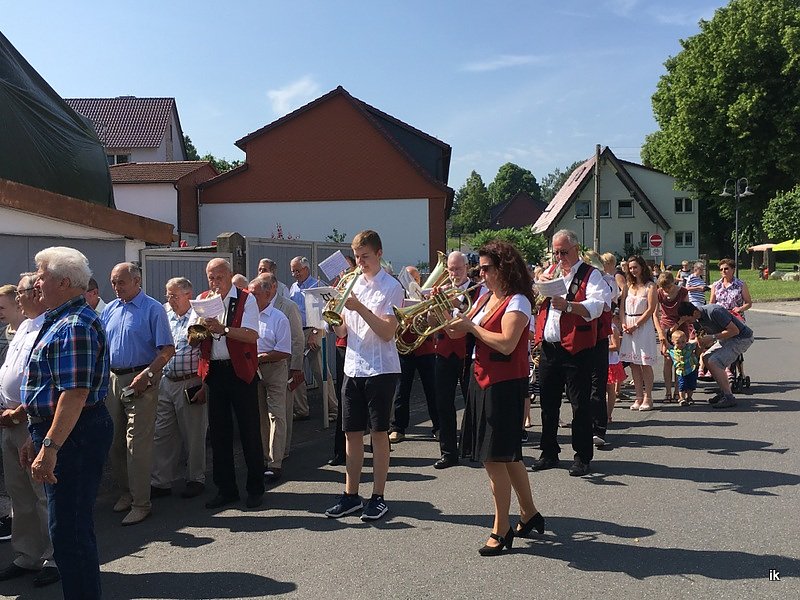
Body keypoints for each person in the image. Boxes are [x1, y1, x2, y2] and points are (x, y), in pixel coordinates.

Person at [20, 246, 114, 600]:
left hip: (76, 435)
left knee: (70, 534)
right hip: (65, 432)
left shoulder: (75, 324)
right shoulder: (60, 319)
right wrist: (36, 435)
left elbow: (74, 394)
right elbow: (50, 389)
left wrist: (49, 446)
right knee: (67, 530)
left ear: (63, 282)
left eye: (42, 276)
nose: (36, 283)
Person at [446, 240, 544, 555]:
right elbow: (458, 331)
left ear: (504, 268)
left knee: (493, 458)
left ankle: (501, 529)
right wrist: (439, 315)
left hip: (504, 384)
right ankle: (529, 514)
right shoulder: (485, 298)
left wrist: (471, 327)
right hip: (481, 379)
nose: (481, 274)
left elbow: (506, 343)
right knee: (508, 456)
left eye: (487, 268)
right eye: (480, 268)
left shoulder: (518, 301)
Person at [325, 230, 404, 521]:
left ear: (379, 254)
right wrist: (333, 315)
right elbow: (343, 330)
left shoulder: (392, 287)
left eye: (365, 257)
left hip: (380, 368)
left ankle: (378, 496)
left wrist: (359, 306)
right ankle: (351, 495)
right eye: (357, 257)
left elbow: (386, 332)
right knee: (351, 433)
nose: (360, 263)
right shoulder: (352, 283)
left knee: (379, 433)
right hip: (353, 367)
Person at [102, 263, 175, 525]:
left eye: (121, 282)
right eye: (113, 282)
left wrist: (148, 375)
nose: (116, 287)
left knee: (137, 444)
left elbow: (167, 349)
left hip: (142, 380)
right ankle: (127, 492)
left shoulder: (153, 309)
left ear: (137, 281)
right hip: (113, 379)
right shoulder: (110, 309)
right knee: (114, 441)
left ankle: (141, 502)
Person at [532, 230, 609, 476]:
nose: (559, 257)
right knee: (548, 404)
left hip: (577, 349)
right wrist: (539, 287)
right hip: (549, 348)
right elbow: (536, 304)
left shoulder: (591, 274)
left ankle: (582, 456)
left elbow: (598, 305)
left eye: (563, 252)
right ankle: (549, 452)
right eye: (555, 252)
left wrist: (569, 306)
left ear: (576, 249)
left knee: (580, 405)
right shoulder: (552, 272)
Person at [0, 274, 59, 587]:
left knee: (42, 493)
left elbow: (48, 379)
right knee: (19, 493)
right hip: (8, 421)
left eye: (20, 292)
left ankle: (55, 557)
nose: (17, 298)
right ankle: (27, 555)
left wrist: (20, 411)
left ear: (35, 293)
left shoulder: (50, 326)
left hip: (31, 420)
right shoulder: (23, 327)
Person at [192, 258, 264, 509]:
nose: (215, 282)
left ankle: (255, 488)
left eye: (219, 277)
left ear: (230, 275)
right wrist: (200, 328)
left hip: (240, 371)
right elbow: (192, 338)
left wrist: (223, 329)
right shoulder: (203, 299)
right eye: (211, 277)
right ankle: (226, 489)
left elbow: (252, 335)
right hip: (214, 371)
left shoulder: (245, 299)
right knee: (219, 434)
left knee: (249, 431)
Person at [150, 277, 208, 500]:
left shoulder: (199, 314)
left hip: (190, 381)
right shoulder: (164, 313)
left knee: (193, 434)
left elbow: (202, 347)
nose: (170, 299)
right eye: (168, 295)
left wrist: (204, 385)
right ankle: (160, 481)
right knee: (162, 432)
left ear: (188, 295)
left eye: (174, 295)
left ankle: (196, 478)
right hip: (166, 380)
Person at [432, 251, 478, 469]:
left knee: (472, 402)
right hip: (443, 352)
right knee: (443, 404)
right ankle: (448, 452)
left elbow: (476, 316)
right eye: (450, 269)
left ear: (466, 268)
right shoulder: (442, 289)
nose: (454, 273)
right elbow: (431, 322)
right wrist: (432, 307)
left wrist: (456, 304)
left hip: (468, 352)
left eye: (458, 269)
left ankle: (471, 447)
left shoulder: (477, 290)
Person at [248, 275, 291, 483]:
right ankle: (264, 458)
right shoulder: (247, 316)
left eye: (254, 294)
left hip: (274, 369)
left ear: (267, 294)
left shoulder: (278, 318)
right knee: (259, 415)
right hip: (253, 370)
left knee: (276, 415)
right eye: (249, 294)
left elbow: (284, 351)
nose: (251, 298)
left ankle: (275, 463)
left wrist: (259, 358)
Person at [676, 302, 754, 408]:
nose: (688, 323)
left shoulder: (714, 311)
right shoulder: (696, 321)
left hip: (741, 338)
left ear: (694, 313)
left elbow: (735, 330)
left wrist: (713, 337)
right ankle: (724, 392)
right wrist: (694, 359)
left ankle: (729, 397)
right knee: (706, 358)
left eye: (688, 320)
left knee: (715, 361)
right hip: (726, 339)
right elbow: (701, 342)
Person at [288, 256, 337, 422]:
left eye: (297, 270)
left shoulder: (317, 285)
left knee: (320, 370)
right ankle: (301, 409)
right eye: (293, 271)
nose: (295, 274)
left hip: (314, 329)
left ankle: (333, 409)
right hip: (297, 332)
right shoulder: (293, 288)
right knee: (296, 370)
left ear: (306, 269)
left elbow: (325, 312)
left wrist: (316, 332)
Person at [265, 274, 305, 466]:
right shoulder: (255, 306)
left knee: (283, 411)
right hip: (262, 367)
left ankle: (283, 450)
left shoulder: (288, 306)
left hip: (284, 364)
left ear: (274, 286)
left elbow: (297, 338)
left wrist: (296, 367)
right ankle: (270, 450)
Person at [619, 256, 659, 411]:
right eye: (630, 268)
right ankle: (638, 396)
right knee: (633, 363)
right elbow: (622, 307)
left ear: (642, 267)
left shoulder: (650, 286)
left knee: (644, 362)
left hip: (642, 326)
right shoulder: (628, 286)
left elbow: (650, 309)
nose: (633, 270)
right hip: (628, 324)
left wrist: (636, 325)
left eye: (635, 267)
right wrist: (623, 323)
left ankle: (648, 397)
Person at [654, 271, 692, 402]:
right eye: (663, 287)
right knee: (667, 359)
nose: (666, 290)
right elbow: (655, 314)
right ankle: (668, 392)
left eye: (668, 287)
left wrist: (677, 324)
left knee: (679, 360)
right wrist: (660, 332)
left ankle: (678, 391)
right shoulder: (659, 293)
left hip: (680, 325)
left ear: (673, 282)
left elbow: (687, 312)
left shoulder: (683, 292)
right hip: (665, 325)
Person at [667, 330, 698, 406]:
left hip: (691, 369)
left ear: (686, 340)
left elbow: (696, 342)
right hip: (681, 371)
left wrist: (697, 335)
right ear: (673, 342)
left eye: (683, 342)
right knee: (682, 385)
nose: (681, 344)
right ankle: (682, 398)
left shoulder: (689, 347)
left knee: (691, 385)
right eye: (678, 342)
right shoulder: (672, 350)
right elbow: (665, 344)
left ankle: (689, 397)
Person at [606, 310, 624, 421]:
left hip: (610, 362)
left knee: (610, 389)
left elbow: (616, 346)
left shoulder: (612, 329)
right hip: (601, 361)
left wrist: (602, 347)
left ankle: (608, 414)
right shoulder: (601, 327)